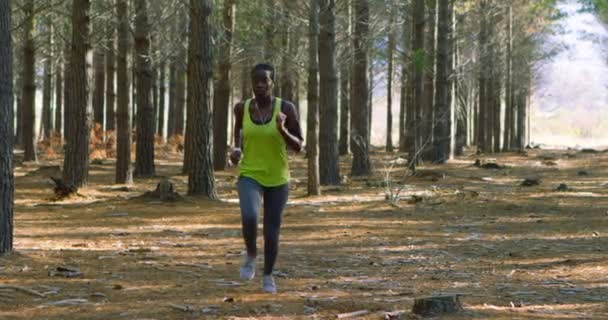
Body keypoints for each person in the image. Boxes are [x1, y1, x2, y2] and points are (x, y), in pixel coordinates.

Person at [230, 63, 303, 294]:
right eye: (256, 81)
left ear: (273, 82)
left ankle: (268, 275)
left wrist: (282, 129)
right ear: (251, 83)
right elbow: (237, 138)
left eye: (265, 80)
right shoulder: (242, 108)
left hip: (278, 177)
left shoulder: (286, 108)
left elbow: (299, 146)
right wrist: (235, 152)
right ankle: (251, 254)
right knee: (250, 215)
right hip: (250, 173)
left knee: (272, 230)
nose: (260, 85)